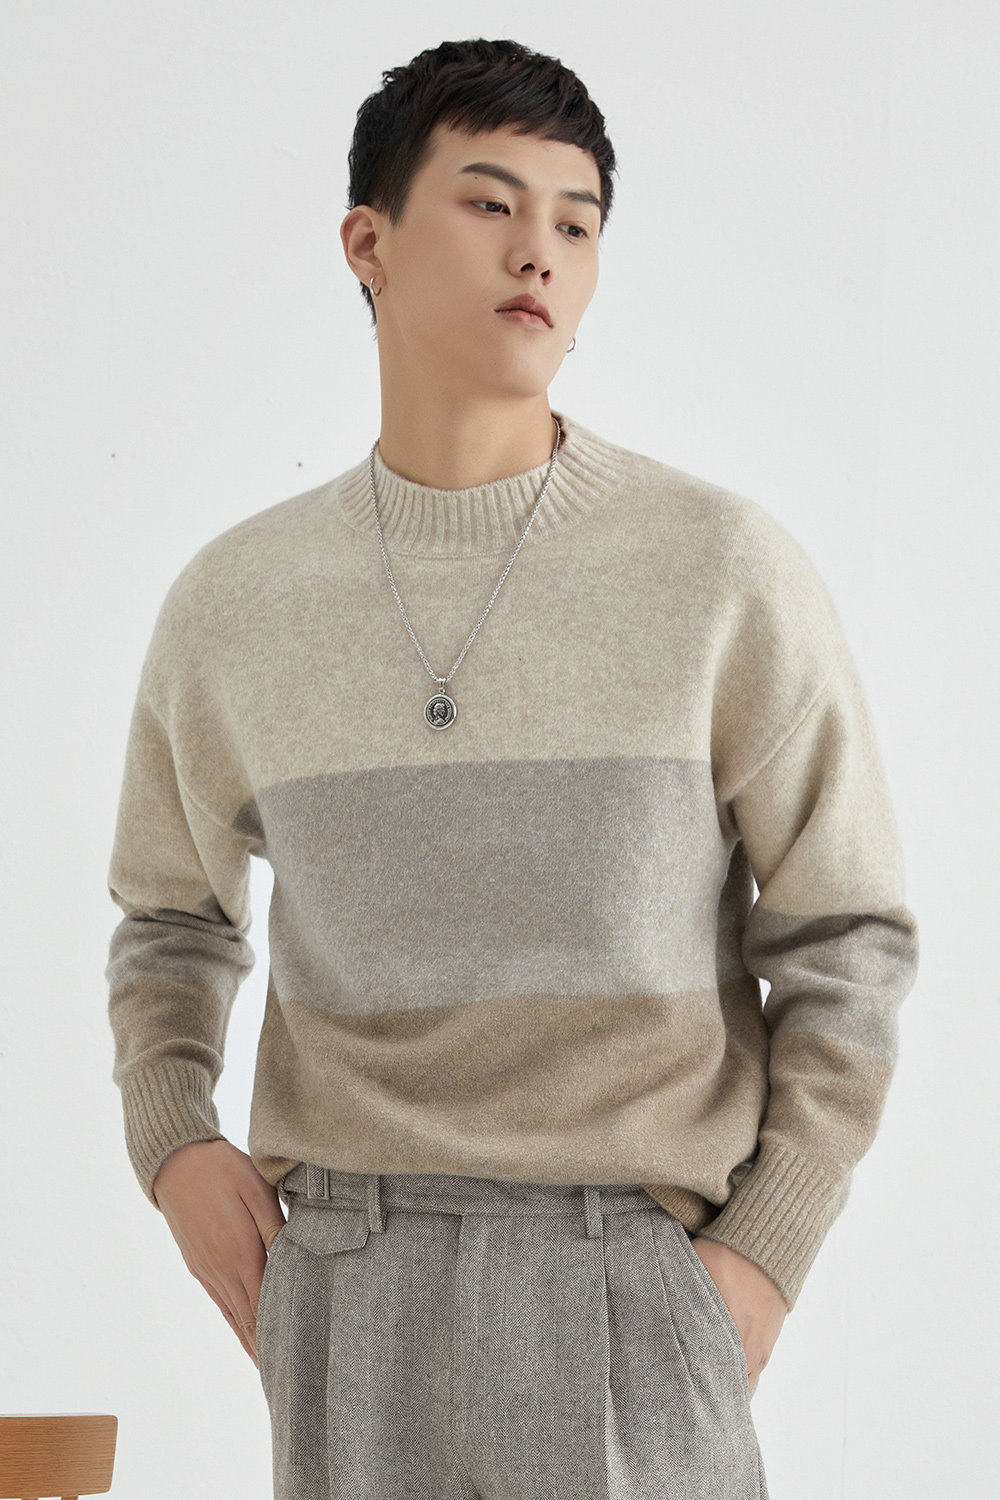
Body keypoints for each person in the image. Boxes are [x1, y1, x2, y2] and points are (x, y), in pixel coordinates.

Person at [104, 36, 919, 1500]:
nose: (539, 250)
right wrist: (175, 1145)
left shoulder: (720, 572)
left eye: (576, 223)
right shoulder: (235, 604)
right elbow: (170, 919)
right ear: (369, 244)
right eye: (489, 204)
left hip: (638, 1279)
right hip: (348, 1277)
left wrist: (763, 1254)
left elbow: (848, 932)